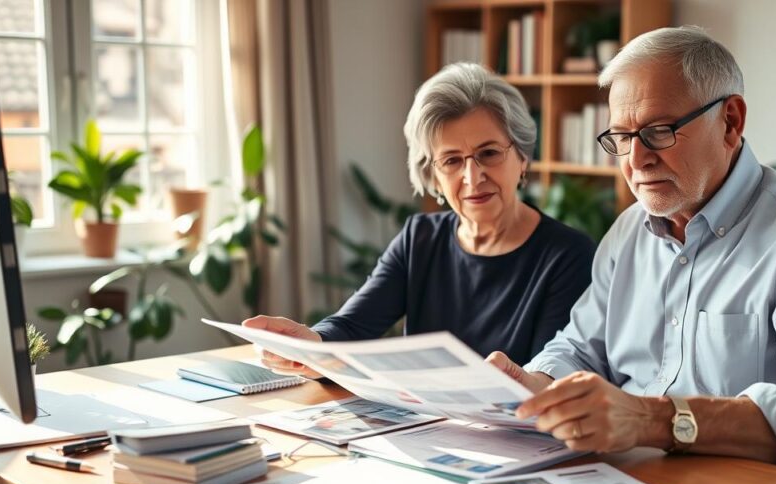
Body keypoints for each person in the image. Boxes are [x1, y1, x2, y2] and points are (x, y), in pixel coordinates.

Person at [486, 26, 776, 484]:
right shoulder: (630, 230)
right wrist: (536, 384)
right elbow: (581, 348)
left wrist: (652, 419)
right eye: (622, 138)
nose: (636, 160)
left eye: (658, 131)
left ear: (731, 121)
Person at [244, 63, 595, 374]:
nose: (472, 177)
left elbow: (548, 377)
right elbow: (353, 326)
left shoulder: (568, 255)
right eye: (452, 161)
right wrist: (311, 345)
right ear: (433, 176)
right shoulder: (420, 238)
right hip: (421, 432)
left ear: (522, 157)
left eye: (488, 153)